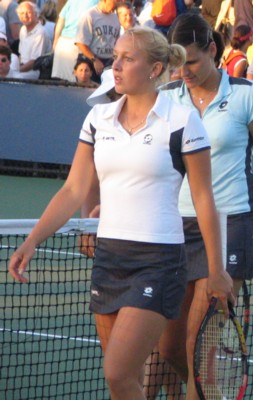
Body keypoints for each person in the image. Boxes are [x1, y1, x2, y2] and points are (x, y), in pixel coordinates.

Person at [8, 25, 235, 400]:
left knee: (117, 372)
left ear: (156, 69)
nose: (117, 66)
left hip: (159, 261)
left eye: (128, 59)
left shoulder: (182, 121)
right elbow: (73, 189)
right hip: (109, 258)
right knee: (123, 384)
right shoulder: (98, 120)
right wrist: (32, 241)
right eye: (116, 57)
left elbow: (203, 199)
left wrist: (216, 270)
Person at [156, 12, 253, 399]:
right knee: (168, 348)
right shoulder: (167, 98)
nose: (185, 71)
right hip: (174, 228)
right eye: (178, 63)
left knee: (197, 342)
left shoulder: (247, 96)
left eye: (192, 61)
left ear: (212, 50)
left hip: (231, 227)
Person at [51, 0, 98, 83]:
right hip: (79, 44)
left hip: (63, 43)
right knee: (76, 84)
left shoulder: (71, 1)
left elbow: (61, 21)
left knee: (61, 83)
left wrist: (55, 42)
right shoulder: (96, 2)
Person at [75, 0, 120, 83]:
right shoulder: (90, 15)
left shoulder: (115, 18)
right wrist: (95, 60)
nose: (118, 3)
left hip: (109, 62)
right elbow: (80, 43)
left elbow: (116, 41)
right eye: (116, 1)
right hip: (91, 61)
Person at [16, 1, 51, 79]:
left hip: (35, 71)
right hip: (22, 67)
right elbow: (20, 55)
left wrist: (17, 71)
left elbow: (34, 62)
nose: (25, 16)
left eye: (28, 12)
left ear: (36, 14)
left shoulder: (40, 32)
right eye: (22, 13)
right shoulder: (23, 29)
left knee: (14, 78)